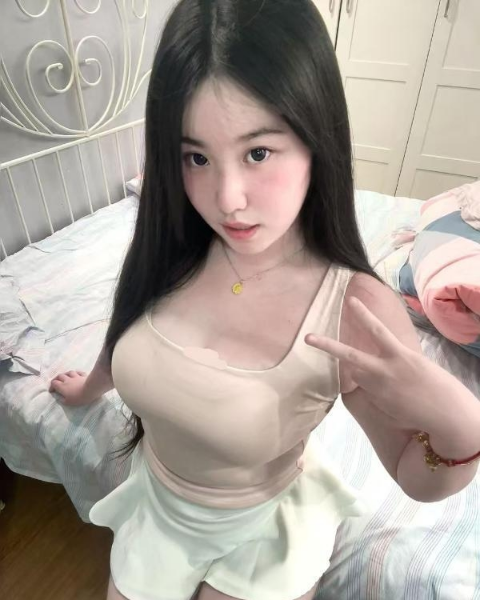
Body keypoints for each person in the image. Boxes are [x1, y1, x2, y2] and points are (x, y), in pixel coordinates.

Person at [49, 1, 480, 599]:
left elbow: (415, 477)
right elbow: (129, 329)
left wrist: (461, 425)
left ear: (317, 139)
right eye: (196, 157)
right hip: (156, 510)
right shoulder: (172, 244)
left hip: (263, 534)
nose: (227, 200)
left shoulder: (355, 307)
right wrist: (90, 387)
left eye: (258, 153)